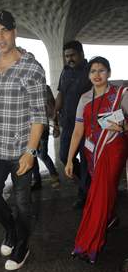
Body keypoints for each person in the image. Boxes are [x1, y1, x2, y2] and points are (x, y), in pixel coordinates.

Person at [0, 10, 47, 270]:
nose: (0, 36)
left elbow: (39, 116)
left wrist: (30, 151)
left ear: (15, 31)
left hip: (20, 150)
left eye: (4, 30)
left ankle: (22, 246)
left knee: (22, 203)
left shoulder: (32, 69)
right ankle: (12, 230)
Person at [65, 56, 128, 264]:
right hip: (91, 152)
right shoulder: (84, 98)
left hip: (113, 149)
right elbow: (77, 131)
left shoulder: (120, 94)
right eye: (93, 71)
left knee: (98, 195)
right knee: (103, 193)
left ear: (109, 73)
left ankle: (89, 245)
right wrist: (69, 159)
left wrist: (122, 127)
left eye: (102, 70)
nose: (97, 75)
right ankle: (108, 219)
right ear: (89, 75)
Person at [55, 40, 91, 208]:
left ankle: (84, 194)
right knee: (64, 156)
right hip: (68, 124)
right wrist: (55, 117)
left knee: (85, 161)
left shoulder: (90, 70)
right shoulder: (65, 71)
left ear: (81, 53)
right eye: (66, 56)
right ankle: (85, 184)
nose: (69, 59)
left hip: (87, 125)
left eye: (72, 55)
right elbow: (60, 94)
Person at [31, 85, 60, 190]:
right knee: (32, 155)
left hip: (43, 127)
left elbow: (52, 107)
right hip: (29, 128)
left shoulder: (45, 88)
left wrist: (56, 125)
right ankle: (37, 180)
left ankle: (54, 175)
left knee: (42, 154)